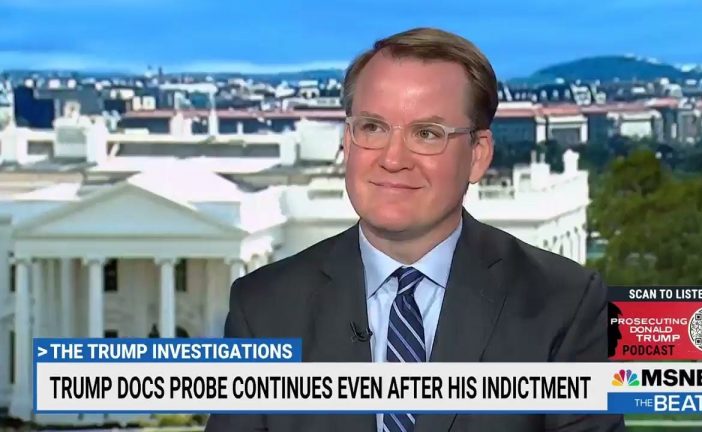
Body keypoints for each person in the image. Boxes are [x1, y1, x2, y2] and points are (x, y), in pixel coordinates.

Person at [205, 27, 625, 432]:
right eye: (372, 128)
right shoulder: (263, 307)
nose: (392, 159)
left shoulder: (564, 303)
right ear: (347, 142)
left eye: (426, 134)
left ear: (478, 155)